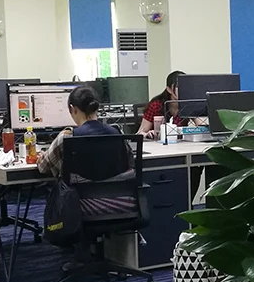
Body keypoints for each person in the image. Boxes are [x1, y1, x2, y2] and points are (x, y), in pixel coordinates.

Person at [38, 86, 135, 214]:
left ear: (72, 109)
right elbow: (130, 163)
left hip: (80, 208)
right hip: (119, 205)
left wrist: (41, 157)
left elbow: (43, 168)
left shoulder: (67, 137)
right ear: (97, 108)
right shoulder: (117, 133)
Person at [138, 70, 186, 140]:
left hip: (181, 143)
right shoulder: (156, 105)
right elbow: (140, 133)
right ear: (169, 89)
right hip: (156, 142)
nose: (183, 89)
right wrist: (148, 134)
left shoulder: (188, 104)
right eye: (178, 86)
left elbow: (200, 124)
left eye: (185, 86)